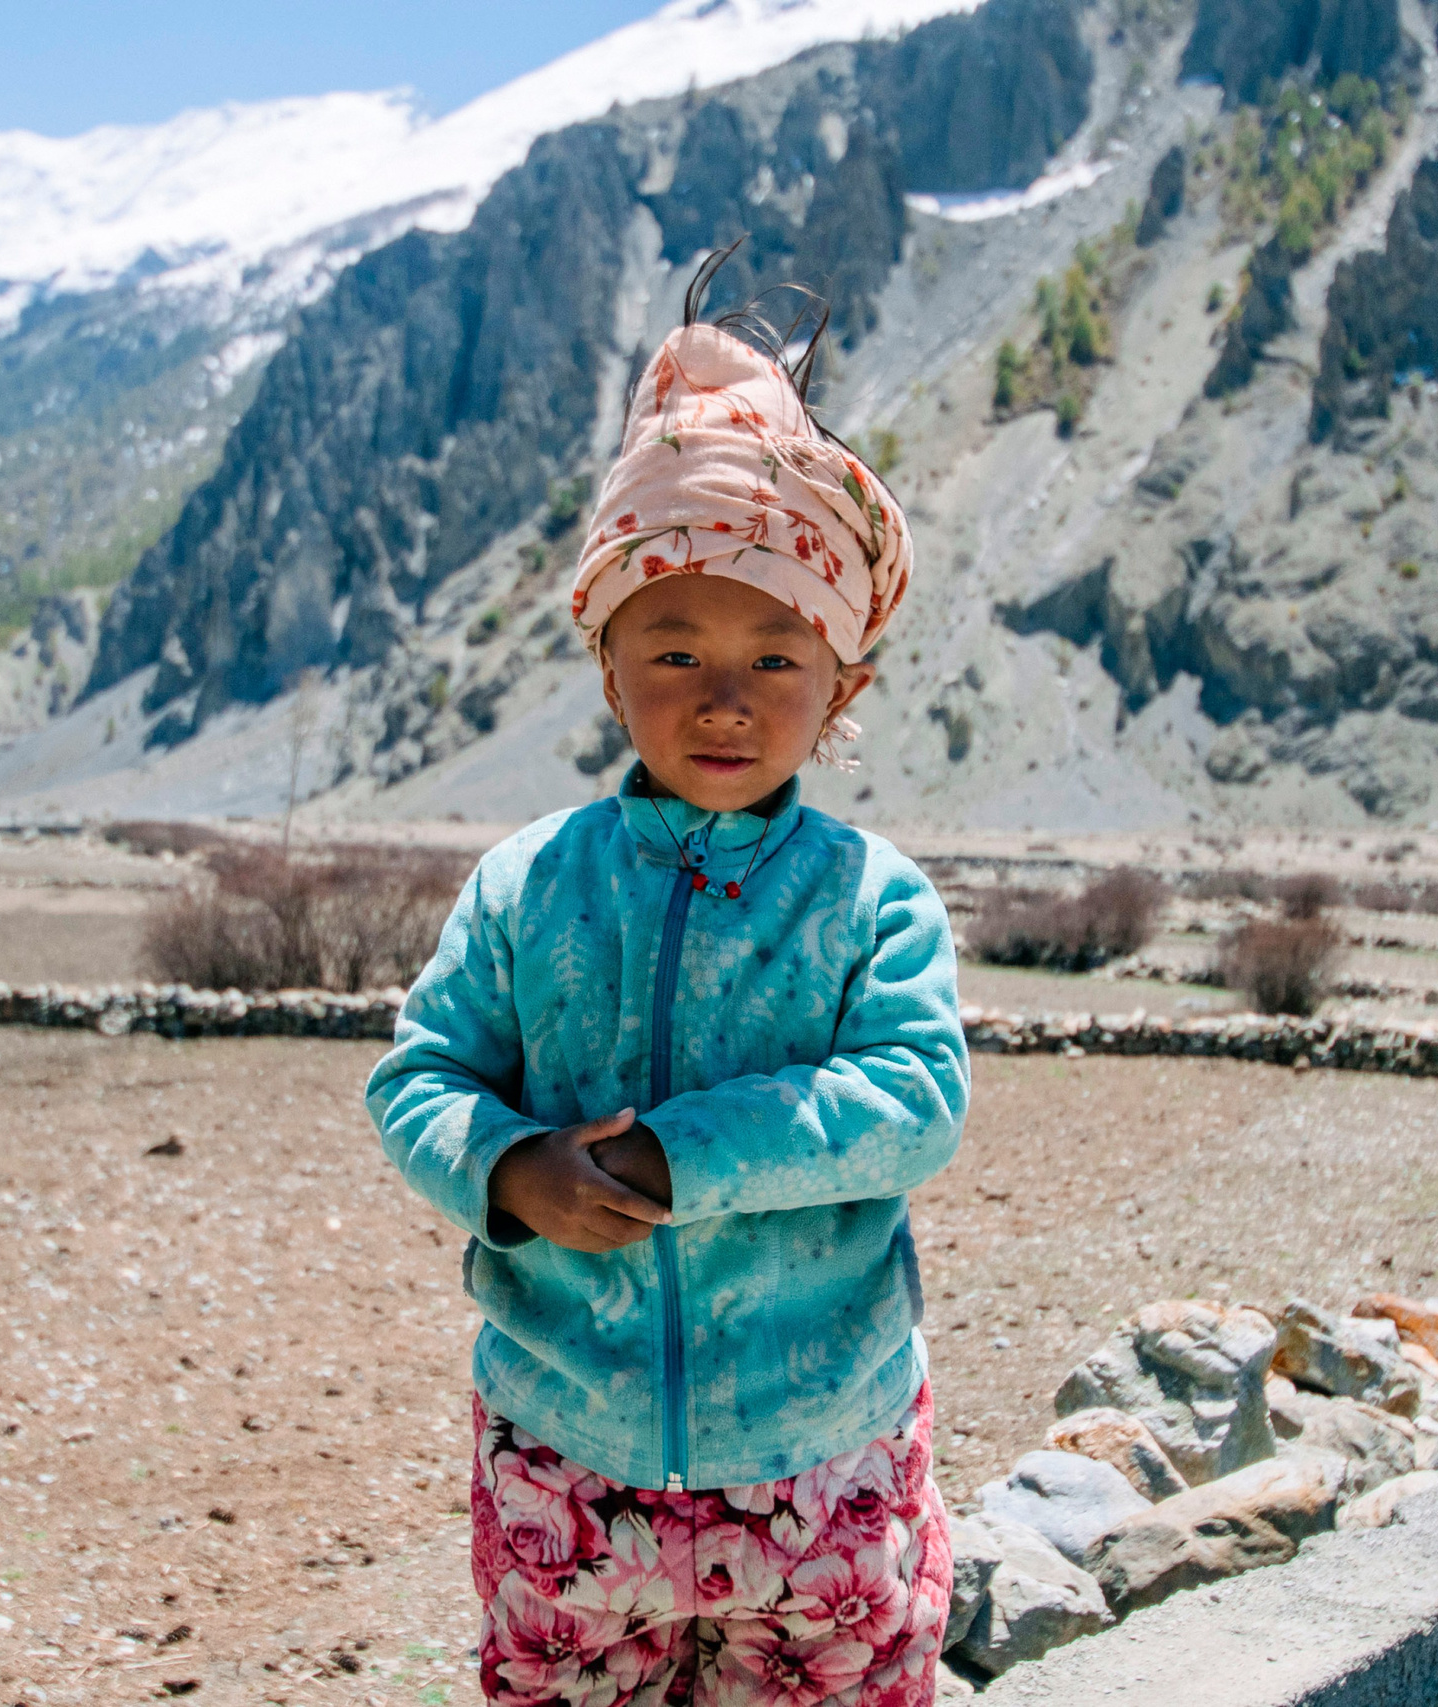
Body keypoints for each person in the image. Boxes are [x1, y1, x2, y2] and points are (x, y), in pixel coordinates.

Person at [365, 274, 969, 1707]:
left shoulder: (872, 899)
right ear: (606, 662)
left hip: (825, 1466)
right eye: (676, 654)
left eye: (776, 660)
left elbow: (914, 1102)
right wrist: (512, 1170)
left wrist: (671, 1158)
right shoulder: (530, 885)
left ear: (846, 683)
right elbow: (420, 1080)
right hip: (568, 1469)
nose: (724, 699)